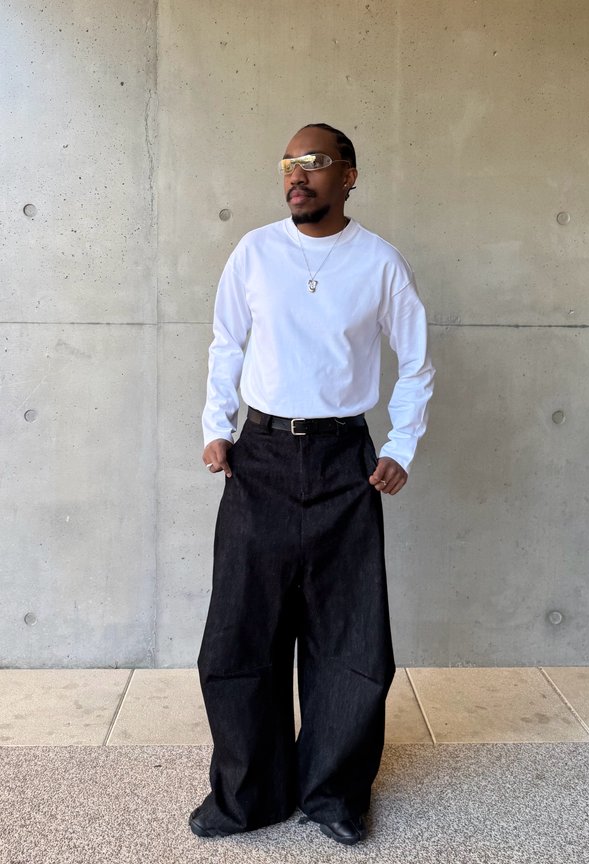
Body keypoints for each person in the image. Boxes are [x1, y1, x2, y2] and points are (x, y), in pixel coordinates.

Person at [190, 122, 434, 846]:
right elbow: (225, 341)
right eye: (290, 163)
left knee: (351, 641)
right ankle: (246, 794)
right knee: (239, 639)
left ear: (350, 175)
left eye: (316, 162)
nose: (298, 176)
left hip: (343, 464)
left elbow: (416, 364)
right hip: (257, 457)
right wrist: (215, 423)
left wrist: (401, 444)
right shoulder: (256, 252)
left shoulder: (380, 264)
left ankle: (332, 795)